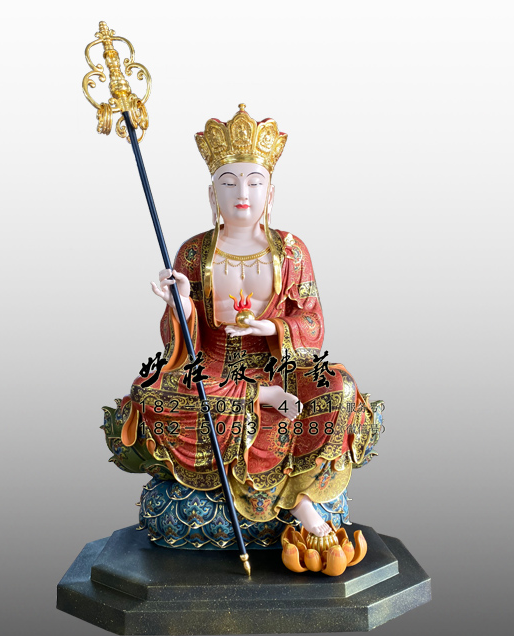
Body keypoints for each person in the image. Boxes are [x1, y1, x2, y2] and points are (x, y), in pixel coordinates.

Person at [118, 104, 377, 540]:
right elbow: (176, 343)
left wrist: (271, 328)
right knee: (150, 391)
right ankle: (277, 442)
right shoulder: (193, 253)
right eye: (229, 182)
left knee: (339, 389)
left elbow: (312, 324)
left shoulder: (290, 251)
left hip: (279, 365)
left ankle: (298, 489)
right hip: (215, 369)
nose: (243, 192)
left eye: (255, 182)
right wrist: (181, 306)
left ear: (270, 193)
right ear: (212, 194)